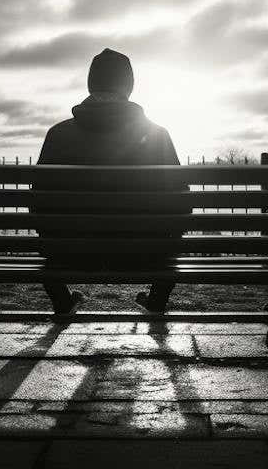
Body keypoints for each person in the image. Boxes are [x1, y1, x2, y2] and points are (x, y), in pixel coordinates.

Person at [35, 48, 185, 316]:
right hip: (147, 255)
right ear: (129, 86)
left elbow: (37, 204)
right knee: (172, 234)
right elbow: (182, 204)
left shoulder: (58, 135)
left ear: (91, 84)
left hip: (70, 254)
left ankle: (62, 301)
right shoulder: (157, 135)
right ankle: (157, 300)